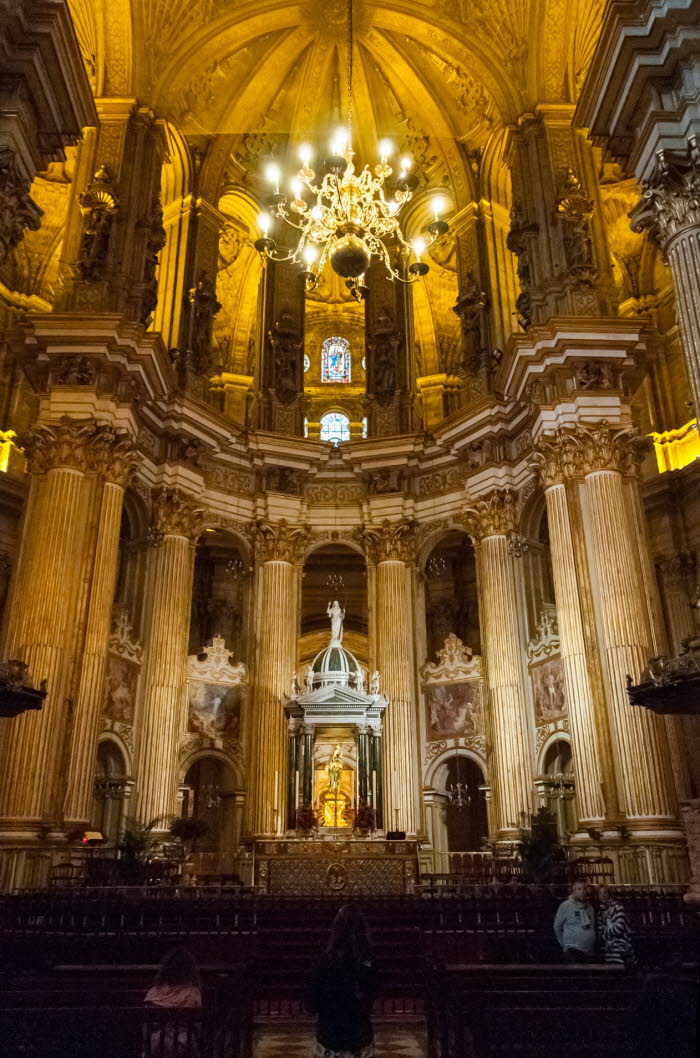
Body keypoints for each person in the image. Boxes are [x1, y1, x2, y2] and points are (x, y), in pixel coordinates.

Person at [307, 904, 377, 1058]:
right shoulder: (369, 962)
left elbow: (311, 1004)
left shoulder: (324, 962)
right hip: (360, 1035)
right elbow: (371, 998)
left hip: (329, 1035)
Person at [144, 948, 202, 1057]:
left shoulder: (155, 992)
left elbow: (147, 1026)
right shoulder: (192, 993)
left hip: (157, 1042)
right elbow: (196, 1024)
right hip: (185, 1042)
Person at [554, 880, 596, 962]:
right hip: (572, 950)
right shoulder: (565, 906)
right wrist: (564, 945)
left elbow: (592, 926)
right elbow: (557, 927)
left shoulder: (589, 907)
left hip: (589, 950)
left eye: (584, 889)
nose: (582, 892)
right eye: (579, 889)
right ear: (574, 890)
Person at [596, 885, 635, 968]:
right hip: (608, 951)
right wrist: (608, 932)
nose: (603, 895)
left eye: (605, 892)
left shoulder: (618, 907)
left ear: (609, 894)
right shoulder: (600, 913)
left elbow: (619, 928)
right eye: (600, 893)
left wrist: (605, 932)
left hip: (622, 948)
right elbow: (600, 934)